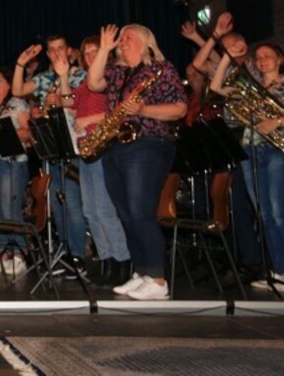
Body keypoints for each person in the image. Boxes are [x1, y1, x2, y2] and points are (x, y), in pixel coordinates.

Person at [87, 24, 187, 301]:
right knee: (126, 214)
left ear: (146, 43)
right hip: (116, 146)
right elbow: (93, 83)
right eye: (121, 39)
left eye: (128, 38)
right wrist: (104, 49)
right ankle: (142, 272)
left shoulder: (161, 70)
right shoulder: (117, 72)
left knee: (141, 212)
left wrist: (144, 109)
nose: (122, 42)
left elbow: (180, 109)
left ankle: (157, 279)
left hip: (148, 143)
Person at [211, 41, 284, 288]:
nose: (262, 60)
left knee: (279, 213)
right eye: (258, 57)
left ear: (279, 59)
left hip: (279, 151)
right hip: (251, 150)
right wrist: (227, 57)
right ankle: (279, 271)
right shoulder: (251, 88)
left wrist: (276, 122)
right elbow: (216, 87)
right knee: (264, 214)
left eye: (267, 55)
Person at [13, 34, 89, 278]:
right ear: (47, 54)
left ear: (69, 51)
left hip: (74, 146)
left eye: (60, 48)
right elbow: (17, 90)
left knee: (73, 203)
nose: (56, 53)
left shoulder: (80, 75)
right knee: (57, 204)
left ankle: (78, 256)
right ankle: (65, 253)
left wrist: (63, 91)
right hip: (51, 147)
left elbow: (78, 107)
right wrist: (21, 63)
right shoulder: (44, 78)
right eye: (52, 50)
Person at [70, 36, 130, 287]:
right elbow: (71, 104)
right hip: (87, 149)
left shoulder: (110, 77)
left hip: (104, 147)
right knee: (90, 211)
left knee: (104, 210)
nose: (90, 56)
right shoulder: (86, 82)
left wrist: (88, 120)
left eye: (95, 51)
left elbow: (120, 110)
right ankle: (106, 260)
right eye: (86, 53)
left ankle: (122, 261)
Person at [0, 65, 31, 276]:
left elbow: (28, 132)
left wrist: (1, 132)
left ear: (9, 84)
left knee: (10, 208)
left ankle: (20, 254)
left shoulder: (17, 104)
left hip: (12, 161)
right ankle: (3, 253)